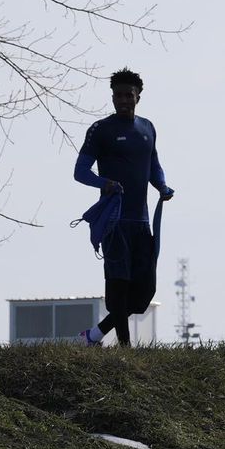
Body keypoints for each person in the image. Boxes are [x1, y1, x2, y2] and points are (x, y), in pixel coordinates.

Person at [74, 68, 174, 346]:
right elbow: (80, 172)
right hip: (115, 221)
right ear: (112, 96)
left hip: (141, 222)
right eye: (118, 95)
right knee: (118, 287)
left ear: (138, 96)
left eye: (128, 95)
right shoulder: (101, 130)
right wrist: (103, 183)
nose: (123, 100)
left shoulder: (147, 128)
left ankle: (93, 335)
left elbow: (153, 165)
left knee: (144, 291)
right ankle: (126, 349)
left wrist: (163, 187)